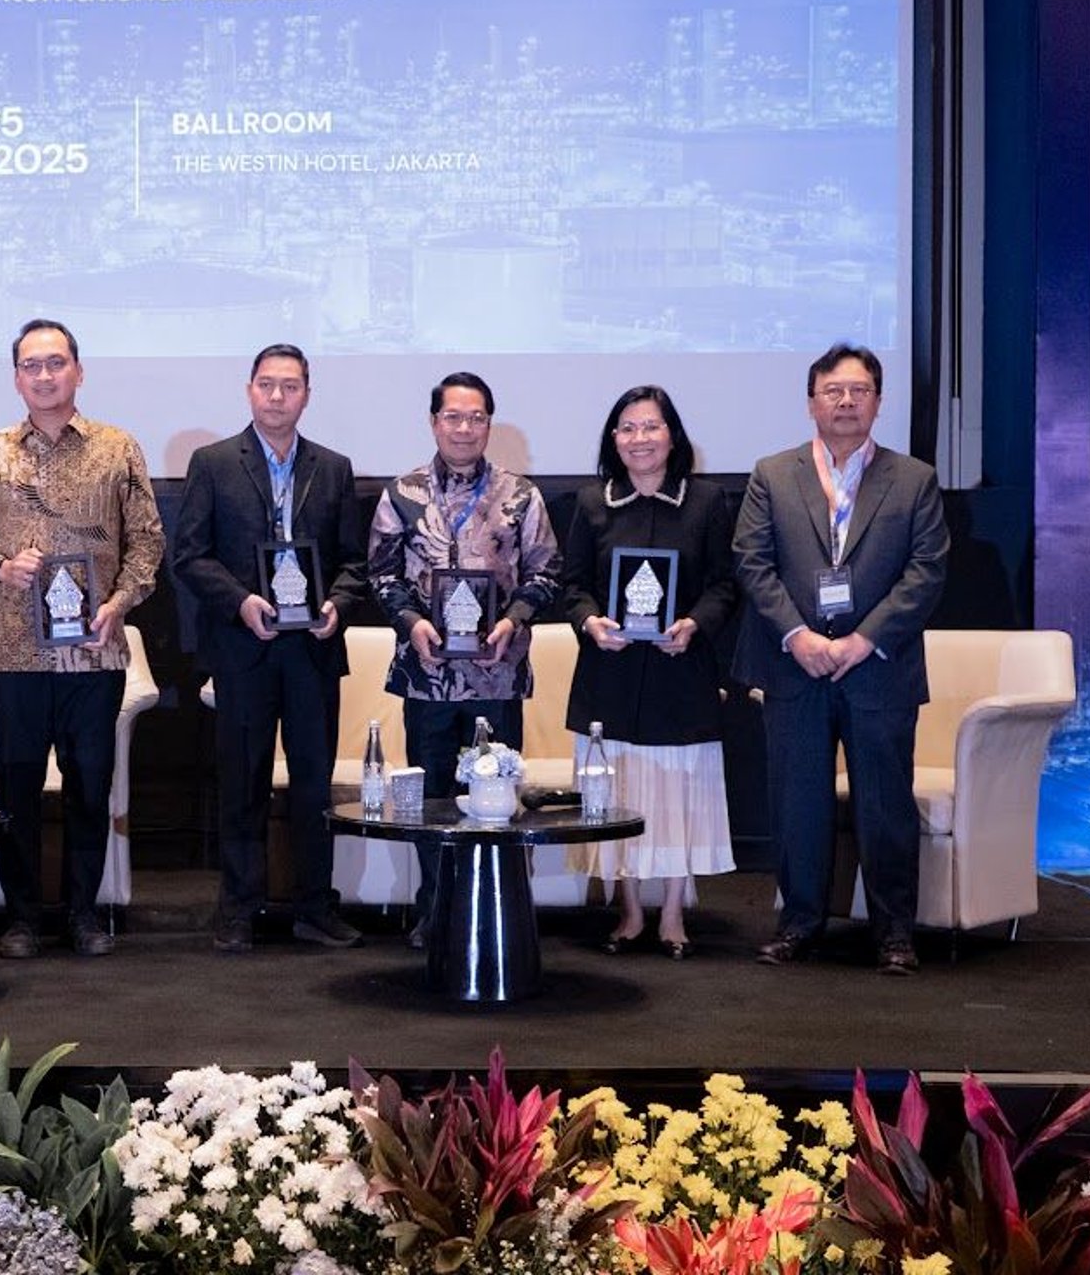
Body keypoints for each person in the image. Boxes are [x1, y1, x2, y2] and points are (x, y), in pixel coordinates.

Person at [0, 318, 164, 959]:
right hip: (15, 652)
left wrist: (121, 602)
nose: (45, 375)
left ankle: (83, 915)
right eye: (31, 365)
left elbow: (148, 539)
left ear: (79, 370)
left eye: (56, 363)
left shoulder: (118, 448)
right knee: (15, 788)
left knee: (88, 788)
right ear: (17, 377)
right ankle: (20, 918)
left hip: (93, 649)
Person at [734, 343, 948, 976]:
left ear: (878, 402)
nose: (846, 401)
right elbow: (752, 560)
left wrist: (864, 639)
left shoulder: (915, 480)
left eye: (859, 391)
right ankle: (799, 924)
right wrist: (799, 635)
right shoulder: (773, 474)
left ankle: (894, 934)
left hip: (879, 667)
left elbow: (927, 571)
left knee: (885, 805)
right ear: (811, 403)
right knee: (797, 803)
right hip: (795, 665)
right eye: (833, 391)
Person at [173, 344, 368, 954]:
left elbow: (355, 563)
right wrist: (240, 602)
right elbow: (190, 556)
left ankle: (315, 906)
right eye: (266, 385)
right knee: (243, 783)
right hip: (243, 647)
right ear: (249, 390)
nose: (277, 396)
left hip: (311, 651)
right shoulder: (213, 463)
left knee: (314, 785)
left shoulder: (332, 468)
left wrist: (335, 602)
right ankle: (237, 908)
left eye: (290, 386)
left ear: (307, 393)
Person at [367, 371, 561, 947]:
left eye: (476, 417)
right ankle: (435, 913)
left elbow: (547, 572)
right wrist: (412, 621)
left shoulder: (521, 496)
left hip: (495, 675)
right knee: (430, 806)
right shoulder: (401, 495)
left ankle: (494, 914)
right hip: (426, 677)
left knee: (495, 802)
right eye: (453, 416)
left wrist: (513, 618)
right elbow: (381, 574)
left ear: (488, 424)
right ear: (433, 423)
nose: (464, 428)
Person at [556, 385, 738, 959]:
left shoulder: (706, 502)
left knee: (677, 795)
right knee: (619, 794)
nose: (640, 439)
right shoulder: (591, 503)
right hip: (608, 676)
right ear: (614, 440)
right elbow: (572, 585)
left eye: (651, 427)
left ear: (673, 436)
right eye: (628, 428)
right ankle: (630, 912)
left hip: (679, 674)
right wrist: (589, 623)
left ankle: (674, 914)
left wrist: (692, 624)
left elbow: (725, 584)